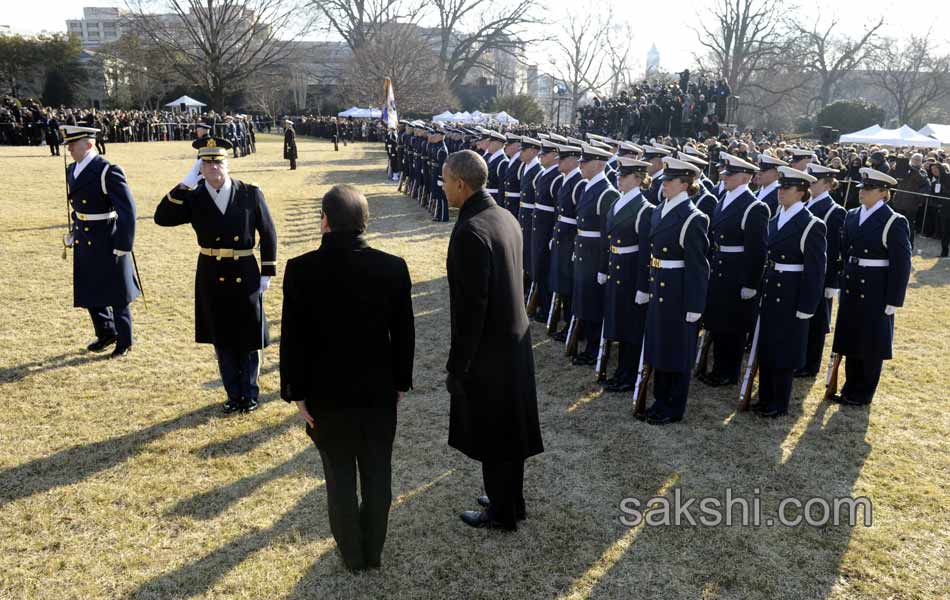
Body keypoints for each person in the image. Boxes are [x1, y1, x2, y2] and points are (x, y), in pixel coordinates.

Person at [280, 184, 415, 572]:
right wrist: (400, 383)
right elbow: (404, 334)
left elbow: (293, 338)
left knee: (338, 476)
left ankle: (353, 555)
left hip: (326, 394)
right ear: (364, 223)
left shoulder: (301, 269)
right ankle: (372, 551)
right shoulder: (392, 267)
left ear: (324, 221)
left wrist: (296, 391)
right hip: (376, 392)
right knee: (378, 473)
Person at [442, 149, 543, 531]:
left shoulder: (471, 230)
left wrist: (458, 365)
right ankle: (509, 499)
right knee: (508, 430)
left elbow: (471, 309)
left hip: (490, 350)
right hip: (513, 342)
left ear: (461, 184)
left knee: (494, 430)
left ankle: (502, 513)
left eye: (445, 180)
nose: (443, 187)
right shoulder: (503, 216)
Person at [154, 137, 278, 414]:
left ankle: (250, 392)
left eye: (218, 162)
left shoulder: (249, 192)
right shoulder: (194, 196)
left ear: (227, 164)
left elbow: (268, 232)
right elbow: (161, 217)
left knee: (248, 335)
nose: (213, 168)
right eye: (206, 163)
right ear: (200, 167)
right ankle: (233, 394)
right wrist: (184, 184)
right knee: (222, 336)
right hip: (211, 271)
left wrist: (267, 271)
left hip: (245, 270)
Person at [830, 168, 912, 406]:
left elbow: (901, 263)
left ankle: (863, 392)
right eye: (862, 188)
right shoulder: (853, 215)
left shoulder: (893, 221)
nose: (862, 193)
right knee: (851, 337)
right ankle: (849, 386)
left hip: (876, 286)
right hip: (853, 281)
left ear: (883, 192)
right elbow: (846, 252)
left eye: (868, 189)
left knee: (871, 341)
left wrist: (894, 299)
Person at [61, 124, 141, 357]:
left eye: (73, 145)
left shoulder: (107, 170)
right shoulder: (72, 169)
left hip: (107, 235)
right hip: (85, 234)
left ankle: (124, 340)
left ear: (89, 143)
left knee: (116, 291)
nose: (69, 149)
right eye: (68, 145)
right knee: (89, 286)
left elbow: (127, 211)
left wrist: (124, 245)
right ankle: (106, 331)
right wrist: (75, 229)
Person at [641, 157, 710, 424]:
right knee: (660, 346)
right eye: (665, 179)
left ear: (685, 184)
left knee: (677, 350)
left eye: (670, 180)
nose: (664, 184)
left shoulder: (693, 218)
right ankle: (660, 400)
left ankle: (673, 407)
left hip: (678, 292)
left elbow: (698, 267)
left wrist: (695, 306)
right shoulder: (660, 210)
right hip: (659, 283)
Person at [754, 167, 827, 417]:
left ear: (802, 192)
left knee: (784, 349)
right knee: (767, 345)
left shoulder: (810, 224)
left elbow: (815, 271)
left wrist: (807, 306)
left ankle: (778, 402)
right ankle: (764, 397)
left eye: (787, 188)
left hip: (792, 292)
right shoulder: (776, 219)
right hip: (772, 286)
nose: (780, 192)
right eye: (780, 187)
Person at [699, 152, 768, 388]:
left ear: (745, 177)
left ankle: (728, 371)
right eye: (724, 173)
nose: (724, 177)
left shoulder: (753, 207)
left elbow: (757, 250)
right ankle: (718, 367)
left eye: (730, 174)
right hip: (720, 268)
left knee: (734, 327)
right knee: (719, 322)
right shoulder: (724, 199)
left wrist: (750, 283)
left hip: (737, 272)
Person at [601, 157, 654, 393]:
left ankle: (628, 373)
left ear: (638, 179)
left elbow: (645, 253)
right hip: (616, 266)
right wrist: (604, 267)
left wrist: (644, 286)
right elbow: (608, 240)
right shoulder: (618, 202)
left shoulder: (644, 209)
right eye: (619, 175)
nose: (618, 179)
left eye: (624, 176)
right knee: (619, 321)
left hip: (631, 271)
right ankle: (620, 371)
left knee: (631, 325)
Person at [570, 144, 619, 366]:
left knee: (593, 302)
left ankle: (594, 348)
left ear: (599, 164)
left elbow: (606, 235)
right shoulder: (588, 186)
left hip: (594, 254)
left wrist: (603, 267)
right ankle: (588, 344)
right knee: (583, 299)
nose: (580, 165)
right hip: (583, 249)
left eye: (585, 162)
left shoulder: (607, 192)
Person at [797, 163, 847, 377]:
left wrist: (831, 282)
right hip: (801, 271)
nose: (810, 184)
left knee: (817, 322)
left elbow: (835, 249)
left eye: (815, 181)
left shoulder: (834, 211)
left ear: (827, 184)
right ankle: (800, 359)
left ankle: (810, 365)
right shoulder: (806, 204)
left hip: (821, 275)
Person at [548, 143, 585, 341]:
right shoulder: (566, 179)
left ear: (572, 161)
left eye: (561, 159)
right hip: (562, 235)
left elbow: (579, 217)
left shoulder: (578, 182)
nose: (558, 163)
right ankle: (568, 324)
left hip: (570, 238)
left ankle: (573, 327)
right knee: (562, 281)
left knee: (569, 283)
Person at [530, 139, 562, 323]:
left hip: (546, 228)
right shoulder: (545, 174)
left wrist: (551, 235)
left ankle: (546, 306)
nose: (541, 156)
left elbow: (558, 210)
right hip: (538, 227)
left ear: (554, 155)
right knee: (538, 267)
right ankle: (541, 303)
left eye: (545, 153)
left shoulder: (556, 177)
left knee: (544, 268)